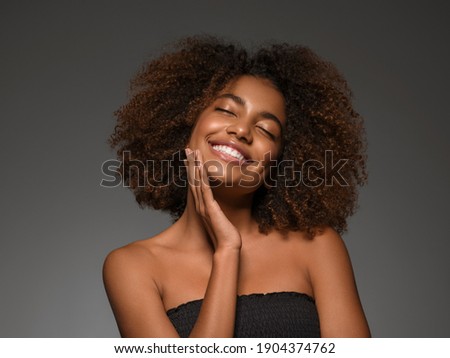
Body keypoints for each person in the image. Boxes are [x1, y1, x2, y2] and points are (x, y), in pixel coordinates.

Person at [103, 36, 371, 338]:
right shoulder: (133, 267)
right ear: (186, 123)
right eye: (227, 111)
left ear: (279, 162)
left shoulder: (318, 246)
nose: (242, 131)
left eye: (266, 130)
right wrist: (227, 252)